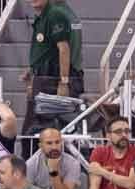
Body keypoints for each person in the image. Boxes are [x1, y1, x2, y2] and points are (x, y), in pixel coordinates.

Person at [21, 0, 83, 136]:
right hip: (42, 79)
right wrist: (32, 70)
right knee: (34, 130)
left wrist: (64, 82)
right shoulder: (43, 16)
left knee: (54, 130)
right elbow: (46, 50)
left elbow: (64, 49)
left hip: (52, 81)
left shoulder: (55, 14)